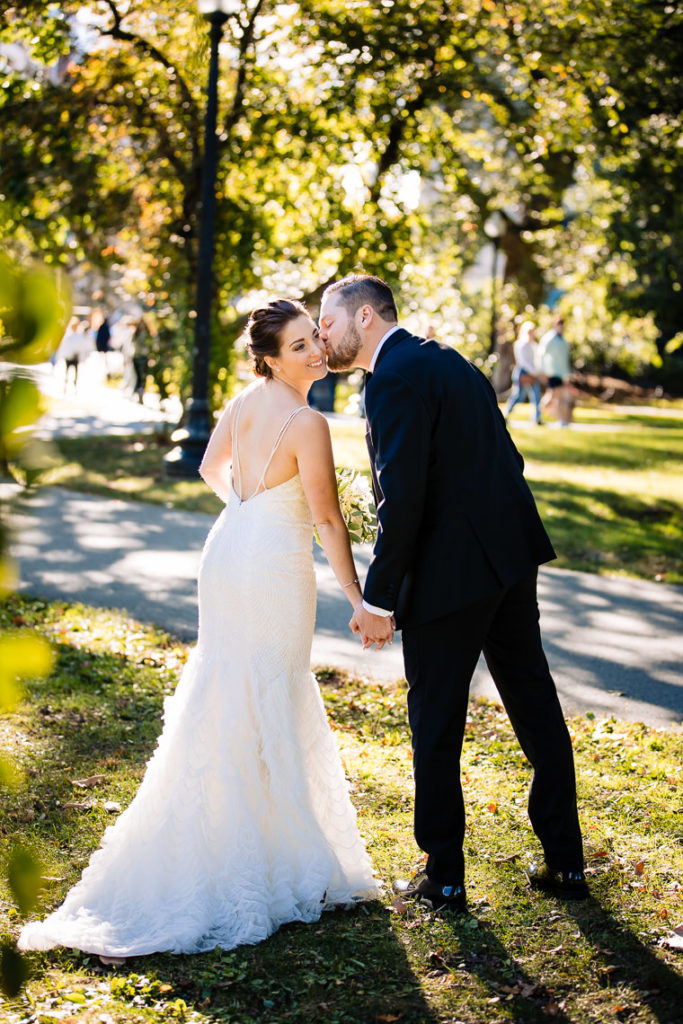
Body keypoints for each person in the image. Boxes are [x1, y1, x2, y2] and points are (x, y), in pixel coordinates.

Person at [19, 298, 378, 958]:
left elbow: (213, 469)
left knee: (230, 687)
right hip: (270, 568)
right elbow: (327, 522)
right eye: (298, 345)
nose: (313, 353)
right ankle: (263, 854)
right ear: (270, 357)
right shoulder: (308, 423)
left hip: (230, 548)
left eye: (312, 341)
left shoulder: (244, 402)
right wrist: (359, 597)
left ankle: (242, 838)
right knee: (270, 686)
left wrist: (252, 509)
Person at [318, 274, 586, 912]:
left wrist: (378, 602)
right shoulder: (448, 360)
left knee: (435, 721)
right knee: (534, 701)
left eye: (326, 322)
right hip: (511, 558)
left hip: (452, 577)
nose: (322, 334)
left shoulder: (391, 380)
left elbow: (401, 500)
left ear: (364, 316)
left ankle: (443, 875)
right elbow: (506, 459)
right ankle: (568, 862)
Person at [504, 320, 543, 425]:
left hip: (533, 372)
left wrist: (537, 371)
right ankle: (505, 414)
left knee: (536, 395)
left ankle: (537, 418)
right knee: (518, 396)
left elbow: (537, 360)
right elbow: (523, 362)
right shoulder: (520, 344)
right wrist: (534, 372)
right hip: (523, 372)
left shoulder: (534, 345)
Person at [538, 315, 573, 426]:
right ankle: (537, 415)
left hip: (560, 373)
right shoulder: (549, 338)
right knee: (551, 395)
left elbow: (564, 359)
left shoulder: (563, 340)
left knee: (558, 396)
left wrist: (566, 375)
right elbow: (541, 354)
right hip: (552, 372)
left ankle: (561, 420)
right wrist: (542, 370)